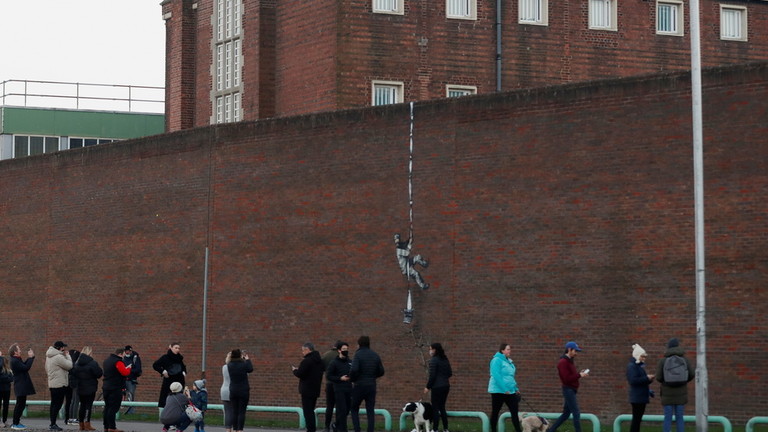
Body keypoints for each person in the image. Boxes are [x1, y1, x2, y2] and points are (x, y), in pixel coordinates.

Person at [546, 342, 589, 432]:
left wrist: (579, 374)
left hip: (571, 390)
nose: (576, 353)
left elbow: (571, 376)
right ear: (569, 349)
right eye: (575, 351)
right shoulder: (563, 362)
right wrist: (579, 375)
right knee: (576, 413)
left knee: (566, 414)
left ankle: (551, 430)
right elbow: (566, 379)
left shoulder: (569, 361)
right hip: (568, 390)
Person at [654, 338, 695, 432]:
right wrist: (683, 380)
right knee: (679, 417)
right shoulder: (685, 360)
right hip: (681, 393)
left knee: (667, 417)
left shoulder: (663, 361)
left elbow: (658, 377)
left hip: (667, 394)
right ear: (678, 346)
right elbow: (692, 374)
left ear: (668, 347)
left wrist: (667, 381)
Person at [349, 335, 384, 432]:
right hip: (371, 386)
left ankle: (357, 429)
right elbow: (381, 371)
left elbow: (354, 369)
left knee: (354, 408)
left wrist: (352, 379)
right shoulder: (375, 355)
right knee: (370, 410)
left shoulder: (358, 355)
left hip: (359, 385)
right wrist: (372, 376)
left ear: (359, 344)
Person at [153, 342, 187, 431]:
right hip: (169, 382)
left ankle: (175, 423)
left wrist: (184, 372)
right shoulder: (165, 357)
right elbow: (155, 365)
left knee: (179, 402)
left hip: (179, 381)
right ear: (170, 347)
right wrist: (163, 371)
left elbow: (183, 367)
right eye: (176, 348)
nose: (177, 350)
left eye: (179, 348)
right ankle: (168, 423)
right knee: (168, 401)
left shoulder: (179, 358)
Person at [292, 343, 326, 432]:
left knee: (307, 411)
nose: (302, 352)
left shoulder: (306, 361)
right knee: (311, 410)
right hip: (315, 389)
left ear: (308, 350)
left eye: (303, 350)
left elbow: (300, 374)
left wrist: (295, 370)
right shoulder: (320, 361)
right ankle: (312, 428)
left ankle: (311, 429)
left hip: (306, 390)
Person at [488, 343, 521, 432]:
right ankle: (494, 430)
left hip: (510, 391)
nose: (510, 351)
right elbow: (496, 375)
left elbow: (510, 377)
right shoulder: (496, 360)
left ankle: (518, 430)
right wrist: (504, 389)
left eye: (510, 349)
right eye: (508, 349)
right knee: (496, 411)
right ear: (502, 350)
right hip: (498, 391)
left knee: (514, 412)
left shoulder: (509, 361)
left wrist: (516, 388)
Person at [72, 346, 103, 431]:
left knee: (82, 405)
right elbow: (99, 374)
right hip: (90, 387)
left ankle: (81, 424)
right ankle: (87, 424)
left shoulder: (77, 363)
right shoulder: (92, 363)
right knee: (88, 406)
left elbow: (74, 374)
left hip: (80, 387)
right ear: (89, 353)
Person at [45, 341, 73, 431]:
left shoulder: (48, 356)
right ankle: (53, 424)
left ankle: (52, 423)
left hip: (52, 383)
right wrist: (68, 356)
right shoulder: (58, 357)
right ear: (60, 348)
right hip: (60, 384)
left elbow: (46, 368)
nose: (64, 349)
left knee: (53, 404)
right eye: (63, 347)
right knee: (58, 404)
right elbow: (69, 366)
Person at [102, 347, 132, 432]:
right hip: (115, 388)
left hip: (106, 387)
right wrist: (129, 368)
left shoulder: (106, 361)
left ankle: (106, 426)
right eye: (123, 355)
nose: (124, 357)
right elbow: (125, 372)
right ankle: (112, 427)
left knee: (107, 407)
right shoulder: (118, 361)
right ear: (120, 354)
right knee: (113, 408)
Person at [626, 344, 655, 432]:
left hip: (639, 396)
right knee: (636, 420)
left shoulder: (638, 366)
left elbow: (639, 380)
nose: (644, 358)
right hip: (637, 397)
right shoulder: (632, 366)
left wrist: (648, 379)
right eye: (642, 356)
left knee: (637, 420)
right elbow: (633, 381)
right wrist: (647, 378)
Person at [425, 343, 452, 432]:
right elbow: (450, 373)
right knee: (442, 407)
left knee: (435, 408)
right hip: (446, 386)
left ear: (434, 350)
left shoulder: (434, 360)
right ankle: (445, 428)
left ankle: (435, 429)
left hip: (437, 387)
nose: (430, 351)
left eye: (430, 349)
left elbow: (432, 376)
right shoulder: (444, 359)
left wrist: (427, 387)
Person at [325, 342, 353, 432]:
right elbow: (328, 376)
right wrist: (340, 378)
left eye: (347, 349)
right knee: (342, 409)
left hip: (349, 388)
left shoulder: (350, 362)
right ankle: (342, 429)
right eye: (344, 349)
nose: (346, 351)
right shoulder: (334, 362)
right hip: (339, 388)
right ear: (339, 350)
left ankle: (336, 424)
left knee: (348, 408)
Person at [9, 344, 35, 430]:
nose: (20, 350)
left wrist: (30, 358)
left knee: (21, 404)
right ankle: (15, 423)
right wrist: (30, 358)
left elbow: (24, 365)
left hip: (22, 385)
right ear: (15, 352)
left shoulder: (17, 359)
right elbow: (26, 367)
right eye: (19, 349)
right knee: (19, 405)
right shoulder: (14, 361)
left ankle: (17, 422)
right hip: (20, 385)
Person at [227, 349, 253, 432]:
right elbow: (250, 369)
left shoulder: (229, 365)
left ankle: (235, 429)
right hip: (243, 390)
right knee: (241, 411)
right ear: (240, 355)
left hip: (233, 390)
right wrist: (247, 359)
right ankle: (240, 430)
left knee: (235, 411)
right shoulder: (244, 364)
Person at [321, 342, 342, 432]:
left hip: (329, 384)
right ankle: (337, 426)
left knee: (329, 406)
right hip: (339, 384)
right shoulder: (340, 355)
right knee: (339, 406)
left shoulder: (326, 355)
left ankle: (326, 426)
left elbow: (322, 369)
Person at [122, 345, 143, 415]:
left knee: (131, 394)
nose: (127, 353)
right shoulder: (123, 357)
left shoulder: (135, 358)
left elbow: (138, 369)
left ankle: (130, 411)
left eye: (128, 351)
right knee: (121, 393)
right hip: (123, 379)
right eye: (126, 352)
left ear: (131, 351)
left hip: (131, 379)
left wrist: (129, 370)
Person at [66, 349, 82, 426]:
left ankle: (70, 418)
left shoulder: (70, 364)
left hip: (72, 383)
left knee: (72, 401)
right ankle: (74, 418)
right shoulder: (75, 364)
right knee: (76, 401)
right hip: (76, 384)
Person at [0, 350, 13, 428]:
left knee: (6, 405)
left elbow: (12, 378)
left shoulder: (9, 370)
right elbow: (3, 378)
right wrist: (0, 357)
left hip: (7, 390)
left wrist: (6, 378)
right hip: (0, 389)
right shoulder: (1, 369)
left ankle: (5, 420)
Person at [220, 352, 233, 432]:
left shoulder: (224, 367)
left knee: (227, 412)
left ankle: (228, 429)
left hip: (224, 390)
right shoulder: (237, 367)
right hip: (233, 390)